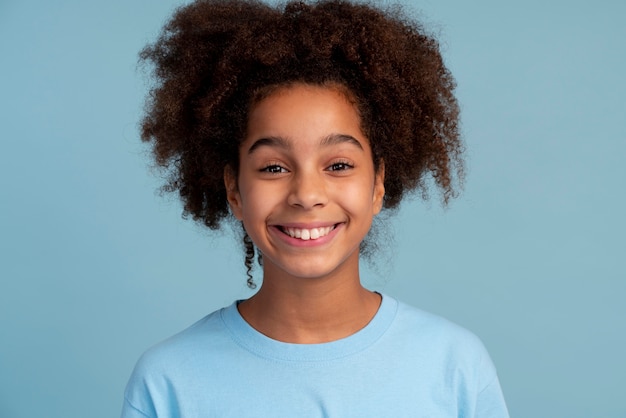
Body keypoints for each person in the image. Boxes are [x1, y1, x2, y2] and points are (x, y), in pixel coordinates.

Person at [121, 0, 509, 416]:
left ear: (378, 183)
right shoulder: (168, 382)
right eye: (273, 167)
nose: (307, 194)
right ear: (234, 189)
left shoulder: (454, 367)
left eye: (339, 165)